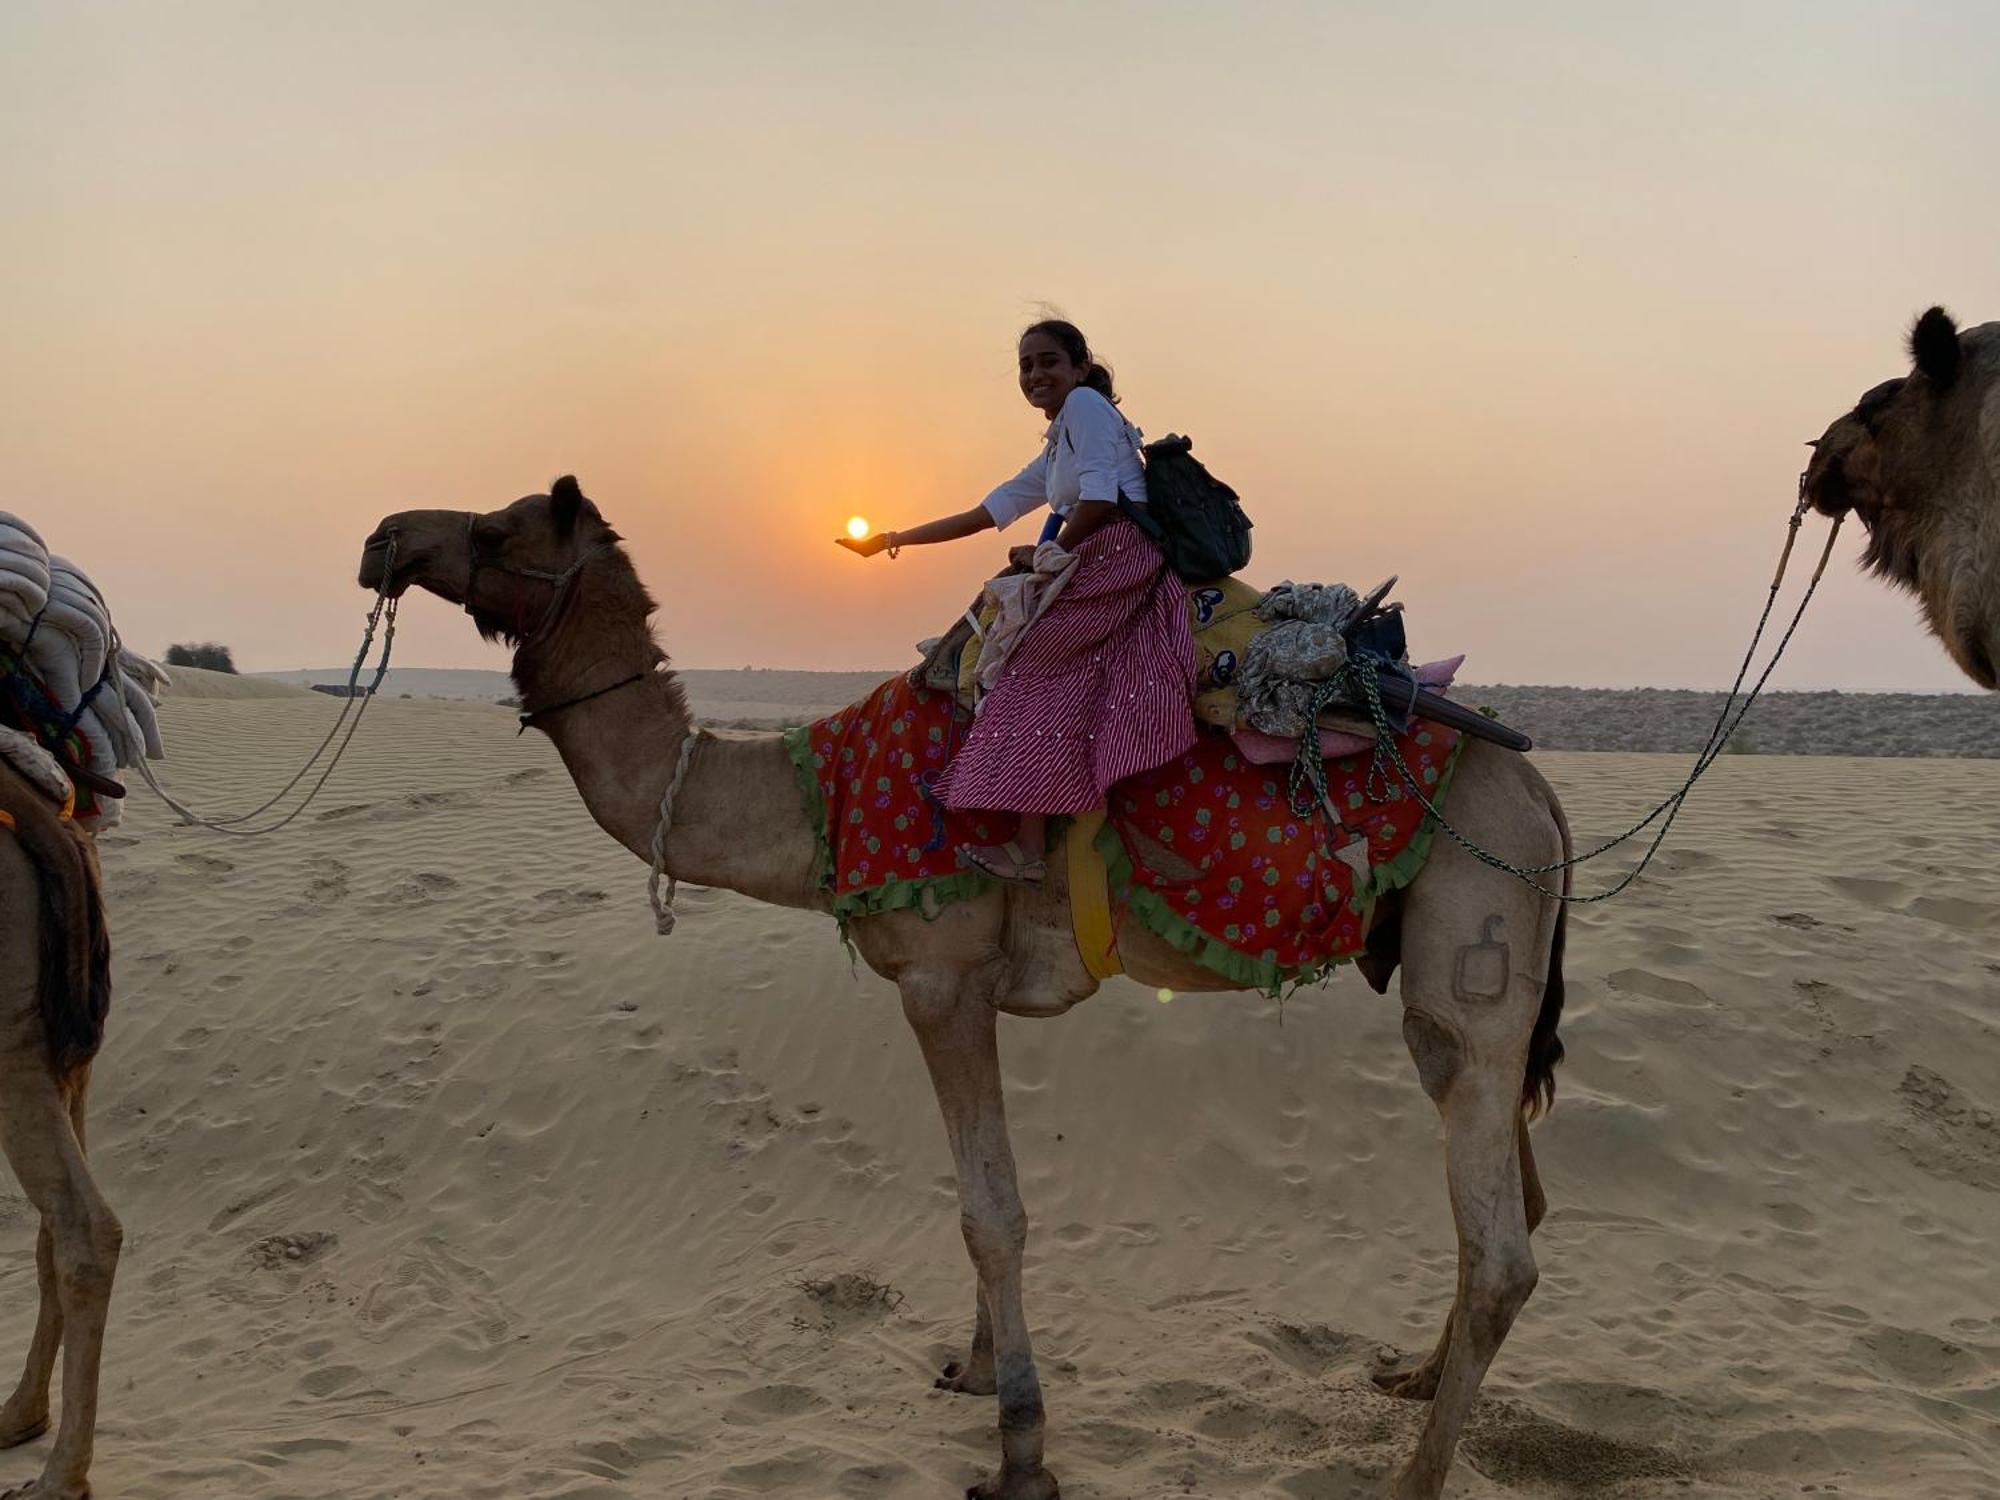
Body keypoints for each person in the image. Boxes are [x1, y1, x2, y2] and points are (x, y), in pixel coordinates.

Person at [837, 319, 1197, 882]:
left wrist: (1049, 554)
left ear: (1080, 367)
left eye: (1048, 361)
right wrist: (890, 540)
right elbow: (989, 512)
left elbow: (1102, 498)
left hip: (1113, 554)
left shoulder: (1085, 407)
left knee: (1026, 669)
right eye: (1026, 365)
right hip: (1091, 551)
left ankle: (1029, 849)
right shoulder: (1059, 446)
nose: (1035, 375)